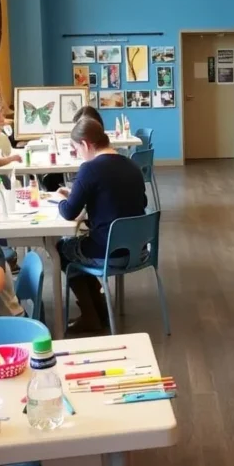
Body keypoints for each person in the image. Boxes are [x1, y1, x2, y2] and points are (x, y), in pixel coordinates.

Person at [54, 118, 147, 333]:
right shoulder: (132, 164)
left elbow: (69, 212)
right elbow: (139, 203)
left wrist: (61, 200)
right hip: (139, 250)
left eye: (76, 148)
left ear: (85, 144)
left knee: (63, 249)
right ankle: (99, 309)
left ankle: (91, 313)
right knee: (81, 245)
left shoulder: (90, 169)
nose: (78, 154)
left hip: (108, 252)